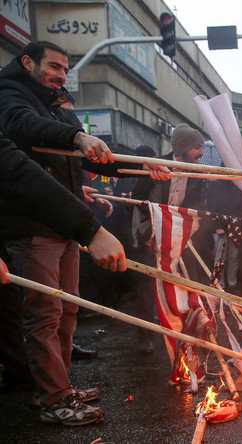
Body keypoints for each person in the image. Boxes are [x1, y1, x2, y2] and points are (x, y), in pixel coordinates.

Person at [0, 41, 160, 426]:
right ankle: (53, 397)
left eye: (65, 69)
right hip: (35, 225)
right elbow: (28, 131)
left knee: (67, 309)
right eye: (54, 66)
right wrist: (77, 136)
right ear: (28, 62)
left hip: (66, 225)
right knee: (44, 313)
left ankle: (61, 385)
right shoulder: (11, 95)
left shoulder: (53, 103)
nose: (61, 75)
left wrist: (142, 166)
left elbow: (92, 156)